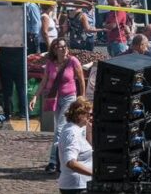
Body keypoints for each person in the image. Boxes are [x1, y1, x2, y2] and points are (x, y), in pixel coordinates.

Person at [32, 37, 85, 173]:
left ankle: (53, 161)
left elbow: (81, 79)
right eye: (60, 47)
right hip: (54, 98)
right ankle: (66, 158)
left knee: (60, 129)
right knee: (64, 129)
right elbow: (44, 81)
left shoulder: (73, 61)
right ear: (54, 50)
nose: (63, 49)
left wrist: (82, 97)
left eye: (64, 46)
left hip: (69, 97)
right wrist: (35, 96)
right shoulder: (50, 63)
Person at [57, 98, 93, 193]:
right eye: (89, 114)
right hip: (76, 186)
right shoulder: (72, 133)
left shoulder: (77, 129)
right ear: (80, 115)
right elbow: (70, 162)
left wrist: (89, 128)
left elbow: (91, 146)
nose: (90, 117)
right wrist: (94, 174)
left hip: (79, 184)